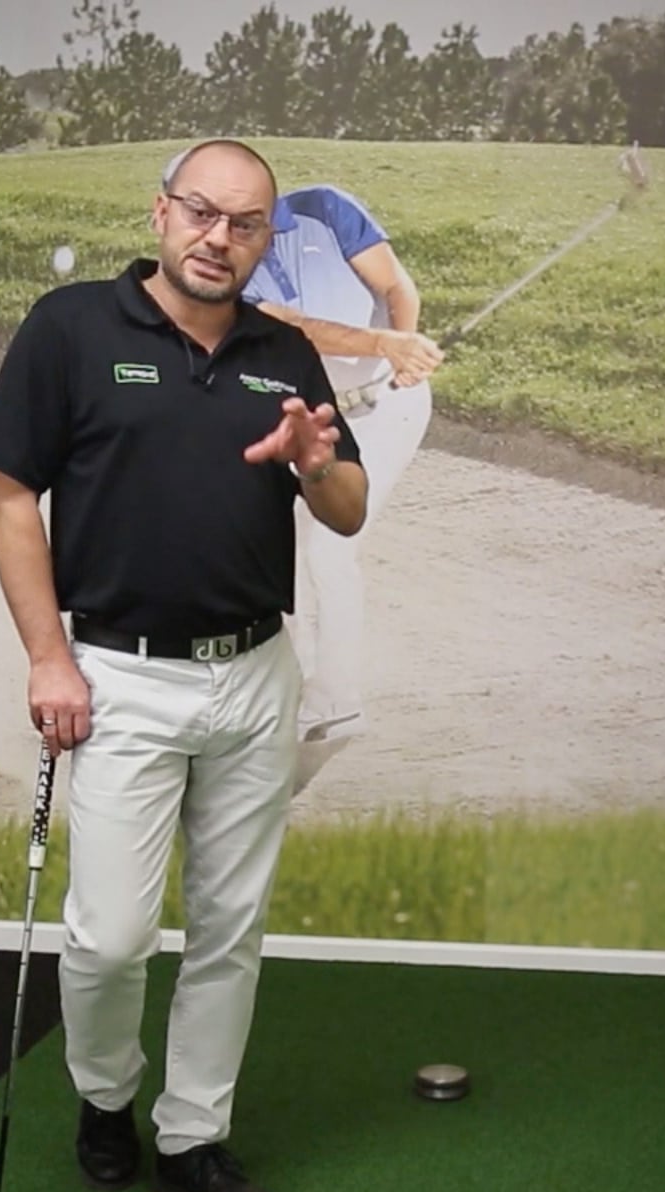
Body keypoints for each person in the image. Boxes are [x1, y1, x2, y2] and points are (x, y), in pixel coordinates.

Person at [0, 138, 368, 1192]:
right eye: (201, 212)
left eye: (244, 224)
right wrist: (48, 657)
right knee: (107, 938)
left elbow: (347, 509)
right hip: (118, 677)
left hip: (255, 673)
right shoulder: (72, 329)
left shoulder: (286, 352)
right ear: (160, 213)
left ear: (266, 240)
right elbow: (9, 497)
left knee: (230, 927)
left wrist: (313, 461)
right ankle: (105, 1099)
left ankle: (193, 1137)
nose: (218, 238)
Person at [239, 183, 443, 792]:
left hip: (386, 410)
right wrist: (386, 343)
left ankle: (337, 704)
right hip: (318, 425)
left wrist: (404, 353)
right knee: (287, 550)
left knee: (329, 548)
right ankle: (299, 693)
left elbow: (397, 286)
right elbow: (294, 328)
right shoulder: (227, 267)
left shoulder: (326, 210)